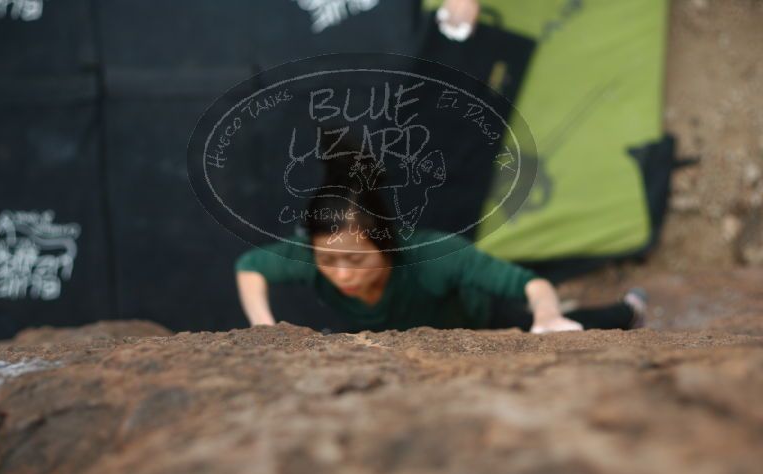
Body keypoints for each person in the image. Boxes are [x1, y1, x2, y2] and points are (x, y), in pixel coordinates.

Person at [235, 158, 646, 334]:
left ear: (386, 243)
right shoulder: (310, 255)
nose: (341, 273)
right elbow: (250, 266)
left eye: (356, 260)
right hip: (389, 342)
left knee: (558, 329)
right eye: (328, 260)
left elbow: (530, 283)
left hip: (481, 323)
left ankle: (629, 310)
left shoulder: (434, 255)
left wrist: (547, 314)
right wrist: (264, 328)